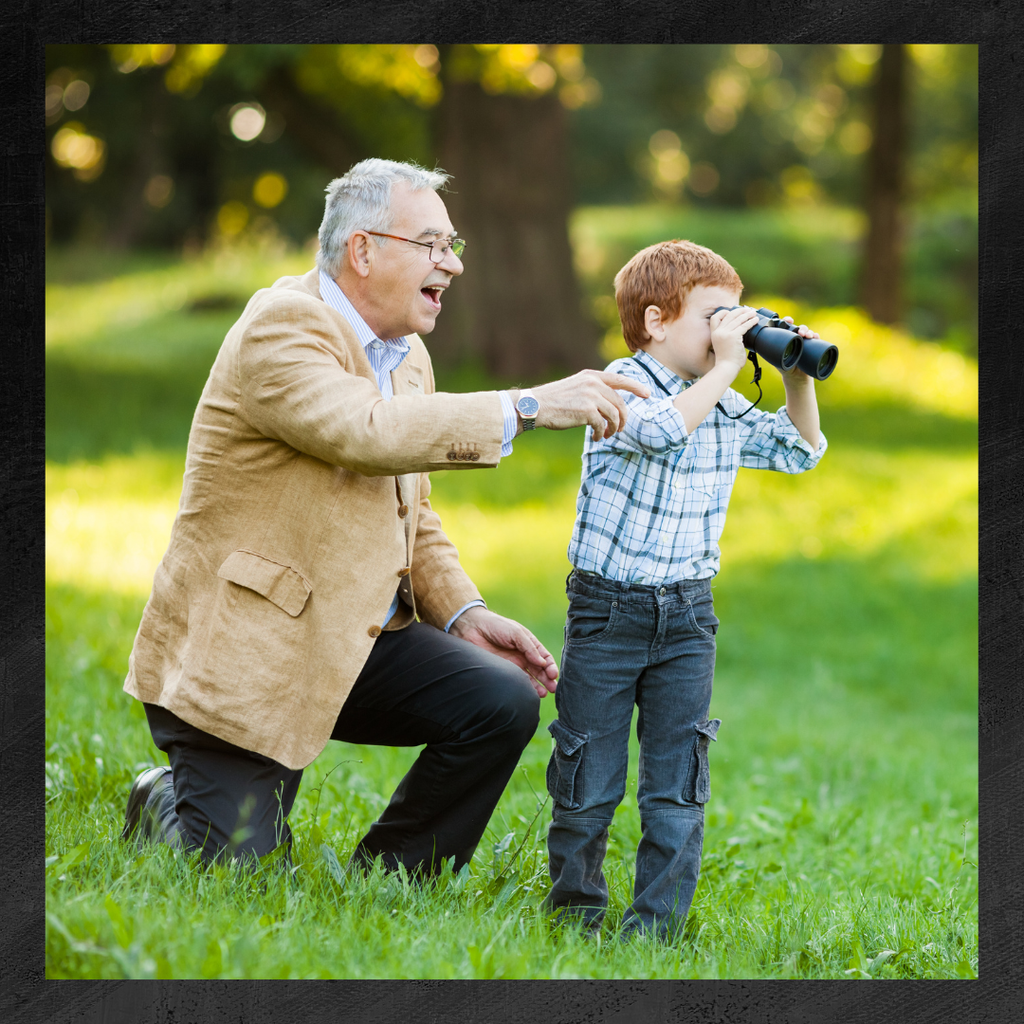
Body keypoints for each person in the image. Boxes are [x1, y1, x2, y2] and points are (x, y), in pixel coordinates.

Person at [119, 158, 649, 874]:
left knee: (500, 699)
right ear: (362, 249)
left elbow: (412, 511)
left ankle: (390, 876)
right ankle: (164, 800)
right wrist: (526, 405)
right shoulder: (281, 326)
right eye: (433, 243)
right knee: (235, 878)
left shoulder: (408, 358)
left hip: (354, 636)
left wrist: (463, 614)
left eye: (452, 247)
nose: (451, 265)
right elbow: (363, 434)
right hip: (251, 653)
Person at [543, 239, 827, 939]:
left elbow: (799, 451)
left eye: (737, 316)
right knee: (589, 778)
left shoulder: (722, 404)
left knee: (677, 783)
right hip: (608, 613)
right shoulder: (617, 384)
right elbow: (663, 432)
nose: (729, 331)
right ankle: (576, 914)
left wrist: (798, 371)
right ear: (657, 320)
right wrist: (730, 366)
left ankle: (655, 930)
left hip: (688, 618)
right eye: (715, 316)